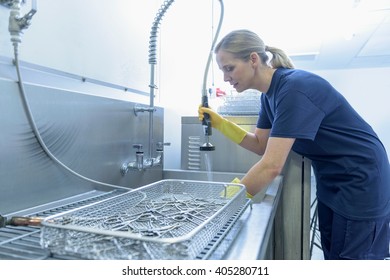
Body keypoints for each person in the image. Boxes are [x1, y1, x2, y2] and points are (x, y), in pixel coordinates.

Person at [198, 29, 390, 260]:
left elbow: (271, 166)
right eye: (222, 70)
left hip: (362, 178)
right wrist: (221, 124)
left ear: (253, 59)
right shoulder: (268, 96)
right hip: (333, 179)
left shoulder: (294, 88)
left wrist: (225, 202)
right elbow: (260, 144)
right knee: (335, 256)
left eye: (229, 68)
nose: (226, 78)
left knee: (355, 260)